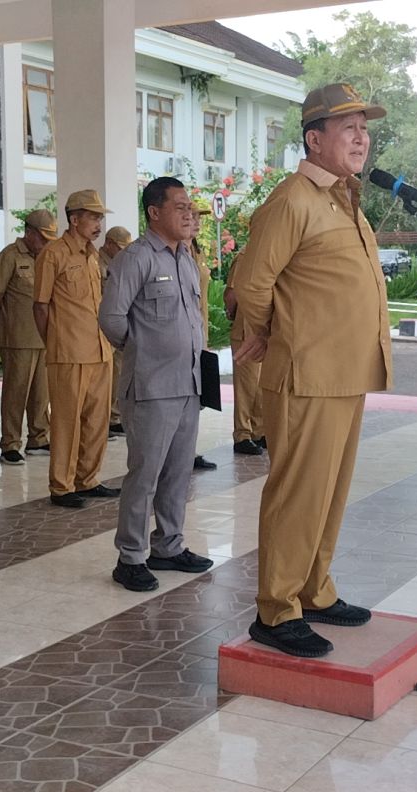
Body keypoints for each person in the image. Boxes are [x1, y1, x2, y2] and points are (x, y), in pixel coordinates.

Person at [233, 83, 392, 658]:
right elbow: (252, 283)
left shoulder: (346, 200)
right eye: (347, 127)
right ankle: (276, 610)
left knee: (330, 494)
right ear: (314, 138)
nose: (360, 137)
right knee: (298, 495)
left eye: (364, 128)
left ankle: (315, 590)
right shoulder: (292, 199)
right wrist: (273, 334)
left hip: (347, 373)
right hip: (307, 375)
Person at [99, 177, 214, 591]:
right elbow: (112, 318)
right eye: (180, 206)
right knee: (144, 474)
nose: (189, 214)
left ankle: (168, 545)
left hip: (188, 383)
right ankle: (130, 557)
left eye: (190, 207)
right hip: (151, 386)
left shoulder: (184, 257)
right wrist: (143, 350)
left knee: (178, 473)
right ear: (154, 212)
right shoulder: (136, 258)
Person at [33, 189, 118, 508]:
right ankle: (62, 486)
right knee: (67, 421)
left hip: (99, 350)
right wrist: (54, 342)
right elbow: (40, 305)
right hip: (68, 352)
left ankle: (88, 479)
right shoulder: (53, 254)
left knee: (97, 421)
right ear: (74, 219)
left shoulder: (92, 254)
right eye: (93, 218)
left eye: (100, 218)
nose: (98, 224)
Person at [0, 209, 55, 465]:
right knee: (16, 392)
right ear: (29, 233)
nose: (47, 242)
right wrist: (1, 327)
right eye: (43, 237)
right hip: (17, 337)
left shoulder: (47, 257)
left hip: (43, 336)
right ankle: (10, 443)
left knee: (42, 393)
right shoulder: (10, 256)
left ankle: (38, 438)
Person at [185, 202, 218, 471]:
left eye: (199, 217)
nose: (197, 222)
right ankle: (179, 451)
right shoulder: (171, 252)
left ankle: (189, 449)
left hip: (199, 332)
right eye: (192, 216)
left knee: (196, 397)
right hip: (179, 336)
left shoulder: (196, 252)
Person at [224, 254, 265, 456]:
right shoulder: (244, 258)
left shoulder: (269, 256)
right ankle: (242, 434)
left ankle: (259, 430)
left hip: (265, 332)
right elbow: (231, 294)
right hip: (246, 329)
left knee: (260, 385)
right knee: (246, 386)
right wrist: (233, 314)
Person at [98, 225, 132, 436]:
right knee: (104, 379)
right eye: (120, 248)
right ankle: (102, 420)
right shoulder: (96, 261)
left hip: (118, 328)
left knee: (118, 375)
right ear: (109, 244)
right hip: (100, 328)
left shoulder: (120, 263)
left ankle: (113, 416)